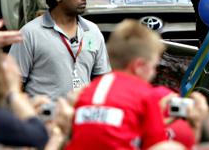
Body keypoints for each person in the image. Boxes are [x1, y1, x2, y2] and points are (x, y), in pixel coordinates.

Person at [9, 0, 111, 99]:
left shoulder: (92, 31)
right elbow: (13, 86)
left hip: (80, 117)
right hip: (43, 118)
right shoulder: (29, 34)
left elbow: (102, 82)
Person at [65, 20, 168, 149]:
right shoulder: (144, 93)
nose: (154, 73)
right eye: (154, 67)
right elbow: (157, 143)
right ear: (139, 66)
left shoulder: (88, 90)